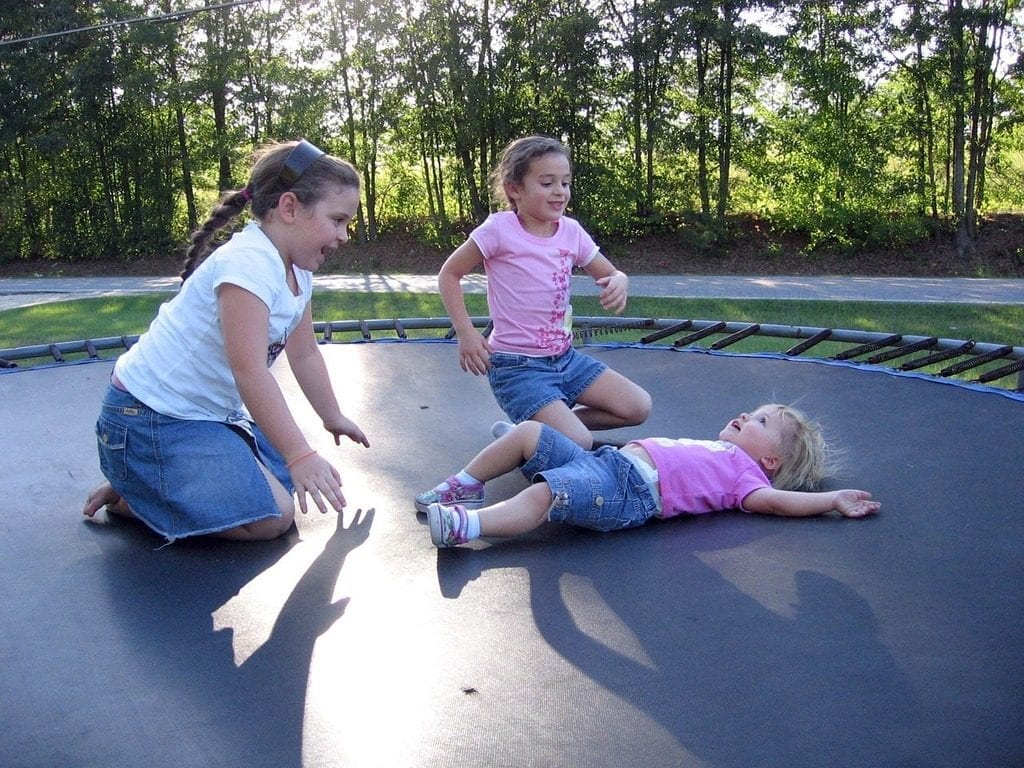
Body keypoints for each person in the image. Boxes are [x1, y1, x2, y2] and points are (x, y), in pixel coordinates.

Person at [82, 139, 369, 542]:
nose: (343, 235)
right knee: (274, 517)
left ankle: (151, 479)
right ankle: (138, 488)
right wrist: (301, 453)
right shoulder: (247, 264)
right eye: (337, 220)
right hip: (148, 418)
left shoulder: (298, 271)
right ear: (289, 208)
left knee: (288, 477)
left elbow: (303, 353)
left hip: (202, 415)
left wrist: (331, 416)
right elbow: (249, 371)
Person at [437, 134, 651, 456]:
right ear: (514, 190)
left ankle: (534, 431)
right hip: (517, 367)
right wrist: (466, 334)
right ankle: (542, 434)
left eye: (565, 183)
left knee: (637, 407)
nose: (560, 192)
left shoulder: (571, 231)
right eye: (547, 183)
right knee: (578, 441)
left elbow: (610, 273)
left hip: (565, 359)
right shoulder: (499, 229)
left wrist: (620, 281)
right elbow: (449, 274)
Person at [415, 404, 879, 548]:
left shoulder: (746, 479)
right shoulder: (720, 449)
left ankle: (467, 526)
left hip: (625, 495)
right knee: (530, 432)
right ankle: (466, 482)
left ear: (772, 462)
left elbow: (780, 503)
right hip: (608, 463)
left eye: (760, 422)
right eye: (753, 411)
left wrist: (830, 499)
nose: (745, 415)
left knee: (549, 493)